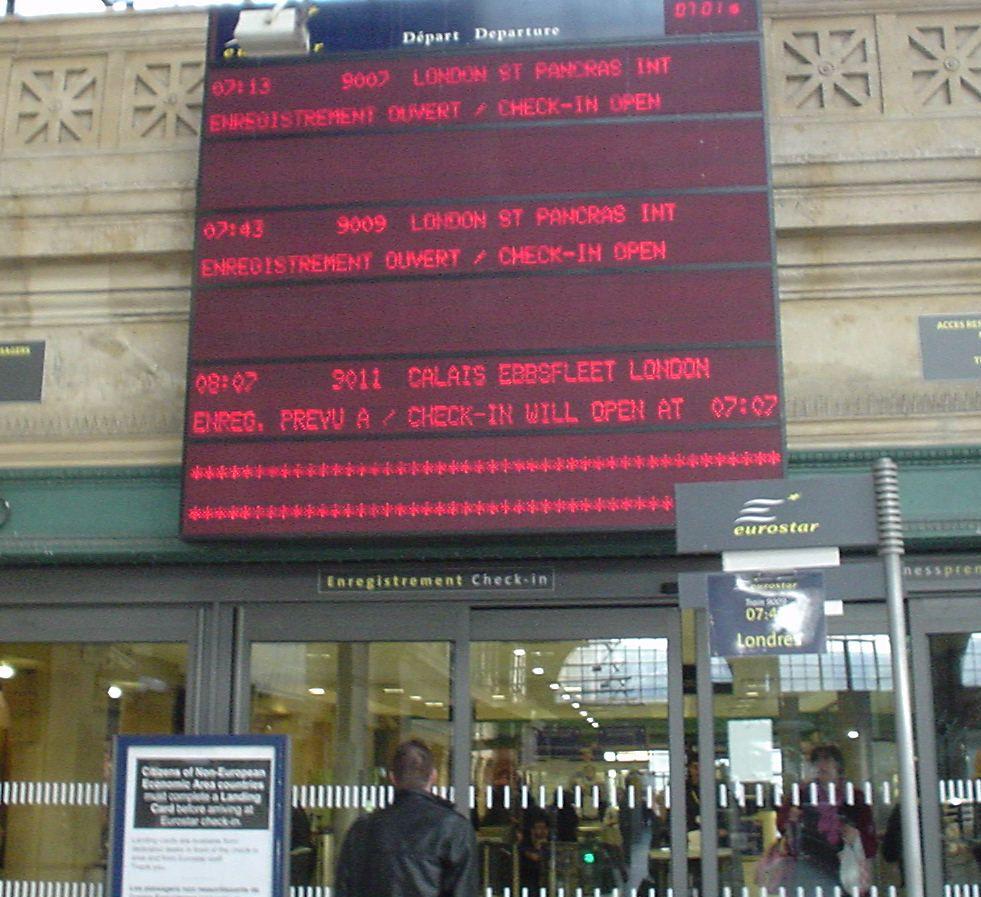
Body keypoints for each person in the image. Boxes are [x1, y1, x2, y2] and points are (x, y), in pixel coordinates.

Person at [335, 740, 478, 897]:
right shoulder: (454, 827)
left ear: (392, 777)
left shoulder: (362, 828)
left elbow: (344, 888)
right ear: (433, 776)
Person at [777, 744, 877, 894]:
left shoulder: (854, 797)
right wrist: (790, 819)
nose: (821, 765)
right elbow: (782, 826)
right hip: (810, 867)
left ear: (838, 766)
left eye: (827, 760)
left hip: (845, 865)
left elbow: (869, 838)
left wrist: (856, 837)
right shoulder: (801, 795)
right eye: (816, 761)